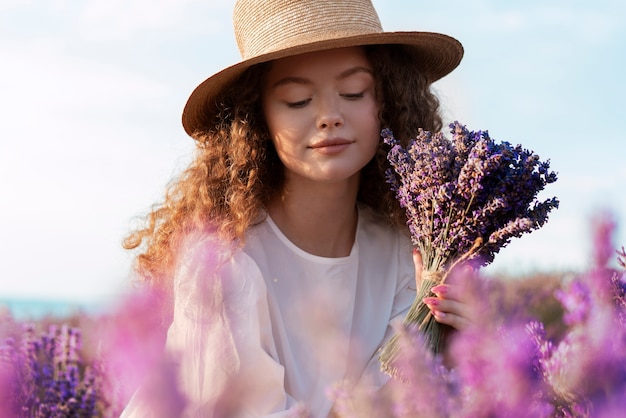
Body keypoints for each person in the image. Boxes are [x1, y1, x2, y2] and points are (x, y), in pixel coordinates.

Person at [121, 0, 475, 416]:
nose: (329, 116)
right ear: (257, 119)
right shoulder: (222, 263)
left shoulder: (408, 251)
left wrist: (452, 349)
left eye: (353, 92)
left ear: (387, 100)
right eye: (297, 99)